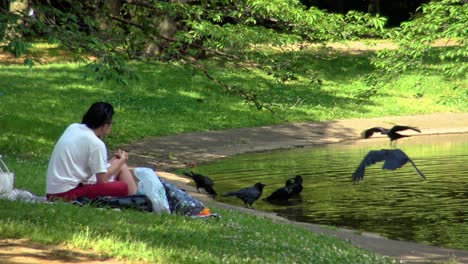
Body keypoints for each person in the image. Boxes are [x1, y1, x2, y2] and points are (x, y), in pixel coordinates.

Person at [46, 102, 137, 201]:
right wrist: (121, 160)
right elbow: (102, 182)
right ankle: (137, 199)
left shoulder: (73, 127)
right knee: (122, 186)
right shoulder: (96, 144)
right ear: (105, 125)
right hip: (65, 194)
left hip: (54, 190)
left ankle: (137, 198)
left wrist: (119, 162)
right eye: (111, 123)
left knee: (120, 165)